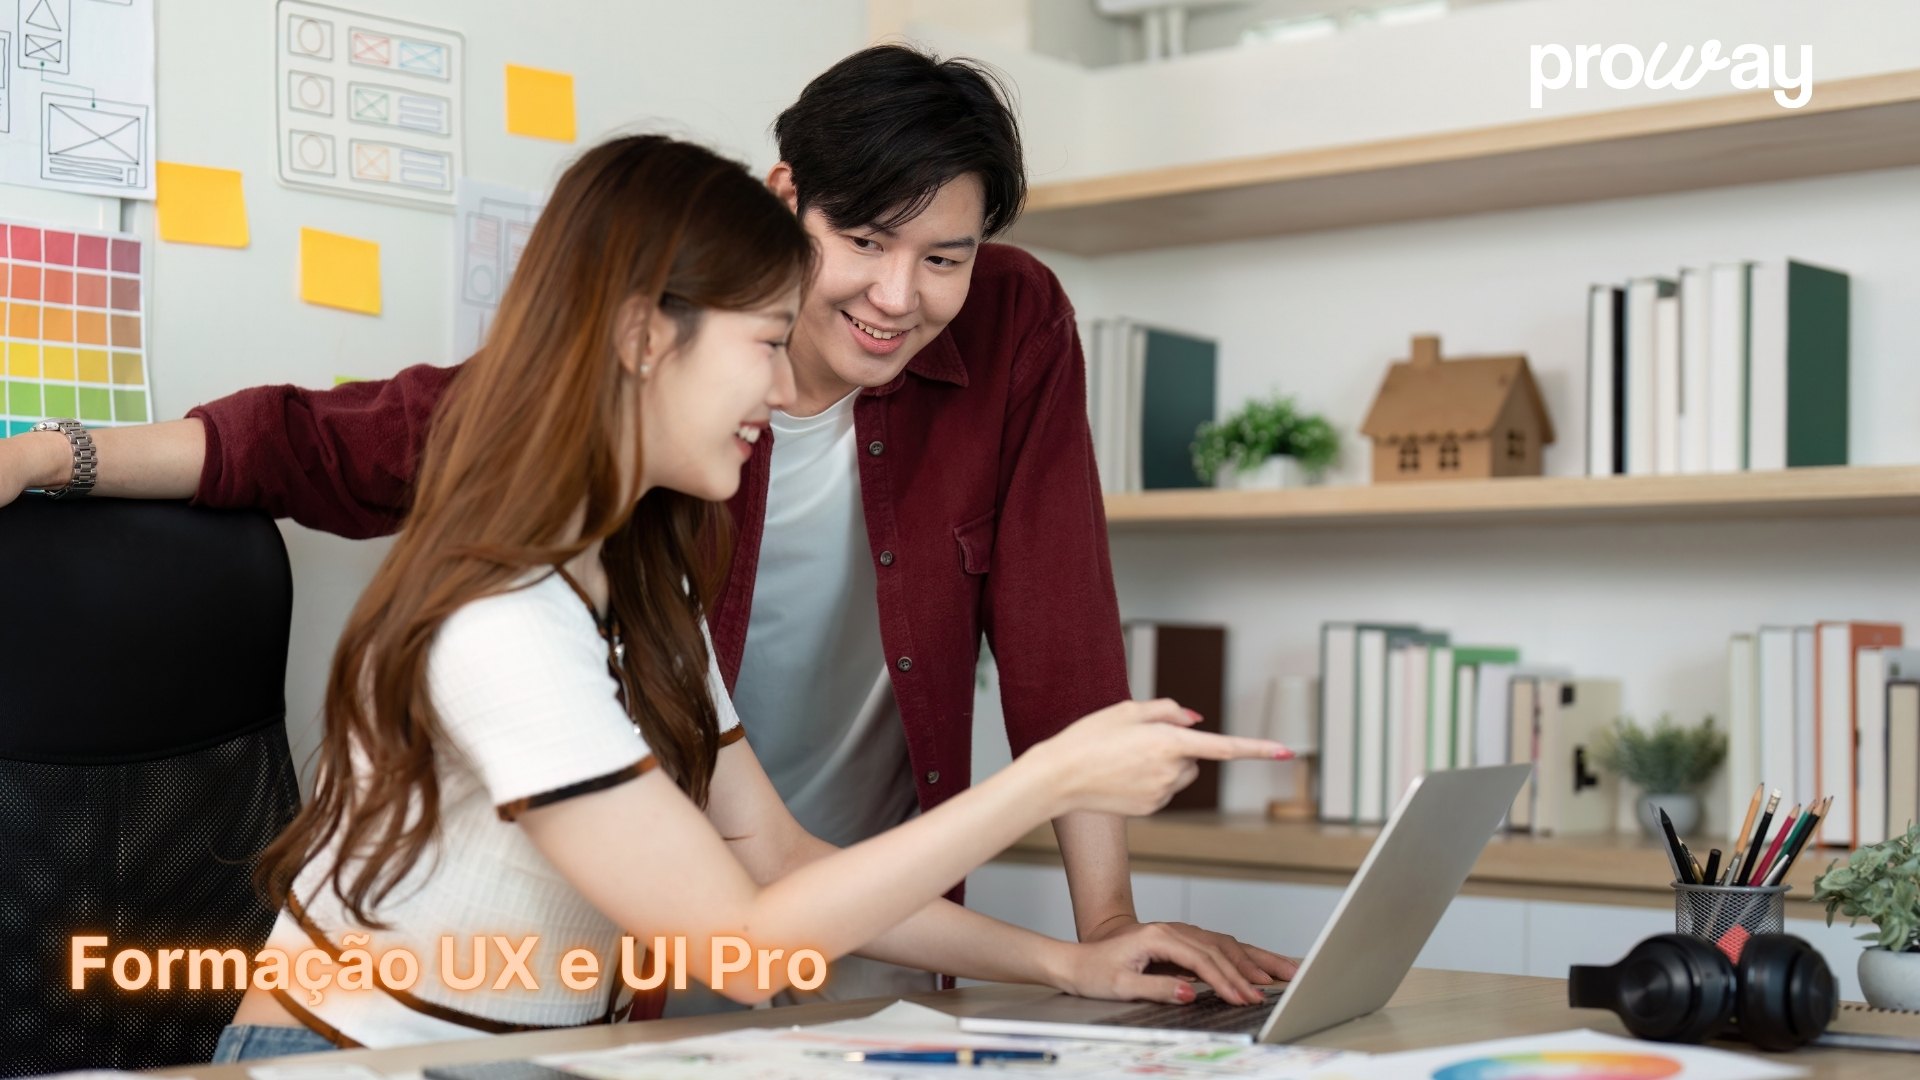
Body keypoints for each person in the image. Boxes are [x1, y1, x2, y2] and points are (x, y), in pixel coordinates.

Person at [0, 45, 1295, 1002]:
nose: (891, 303)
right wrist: (43, 455)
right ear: (645, 336)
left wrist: (1082, 956)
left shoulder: (649, 586)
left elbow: (778, 852)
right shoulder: (510, 619)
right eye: (767, 340)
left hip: (744, 940)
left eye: (945, 259)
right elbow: (325, 440)